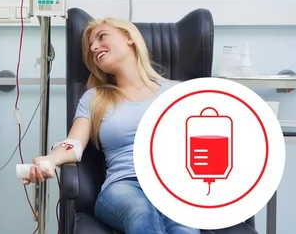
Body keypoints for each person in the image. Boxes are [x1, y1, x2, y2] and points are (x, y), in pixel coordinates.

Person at [23, 18, 199, 234]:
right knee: (142, 213)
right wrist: (49, 160)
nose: (94, 47)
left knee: (184, 227)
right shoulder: (94, 98)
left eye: (102, 36)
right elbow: (73, 144)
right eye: (91, 46)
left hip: (171, 184)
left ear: (129, 38)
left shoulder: (178, 92)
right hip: (123, 186)